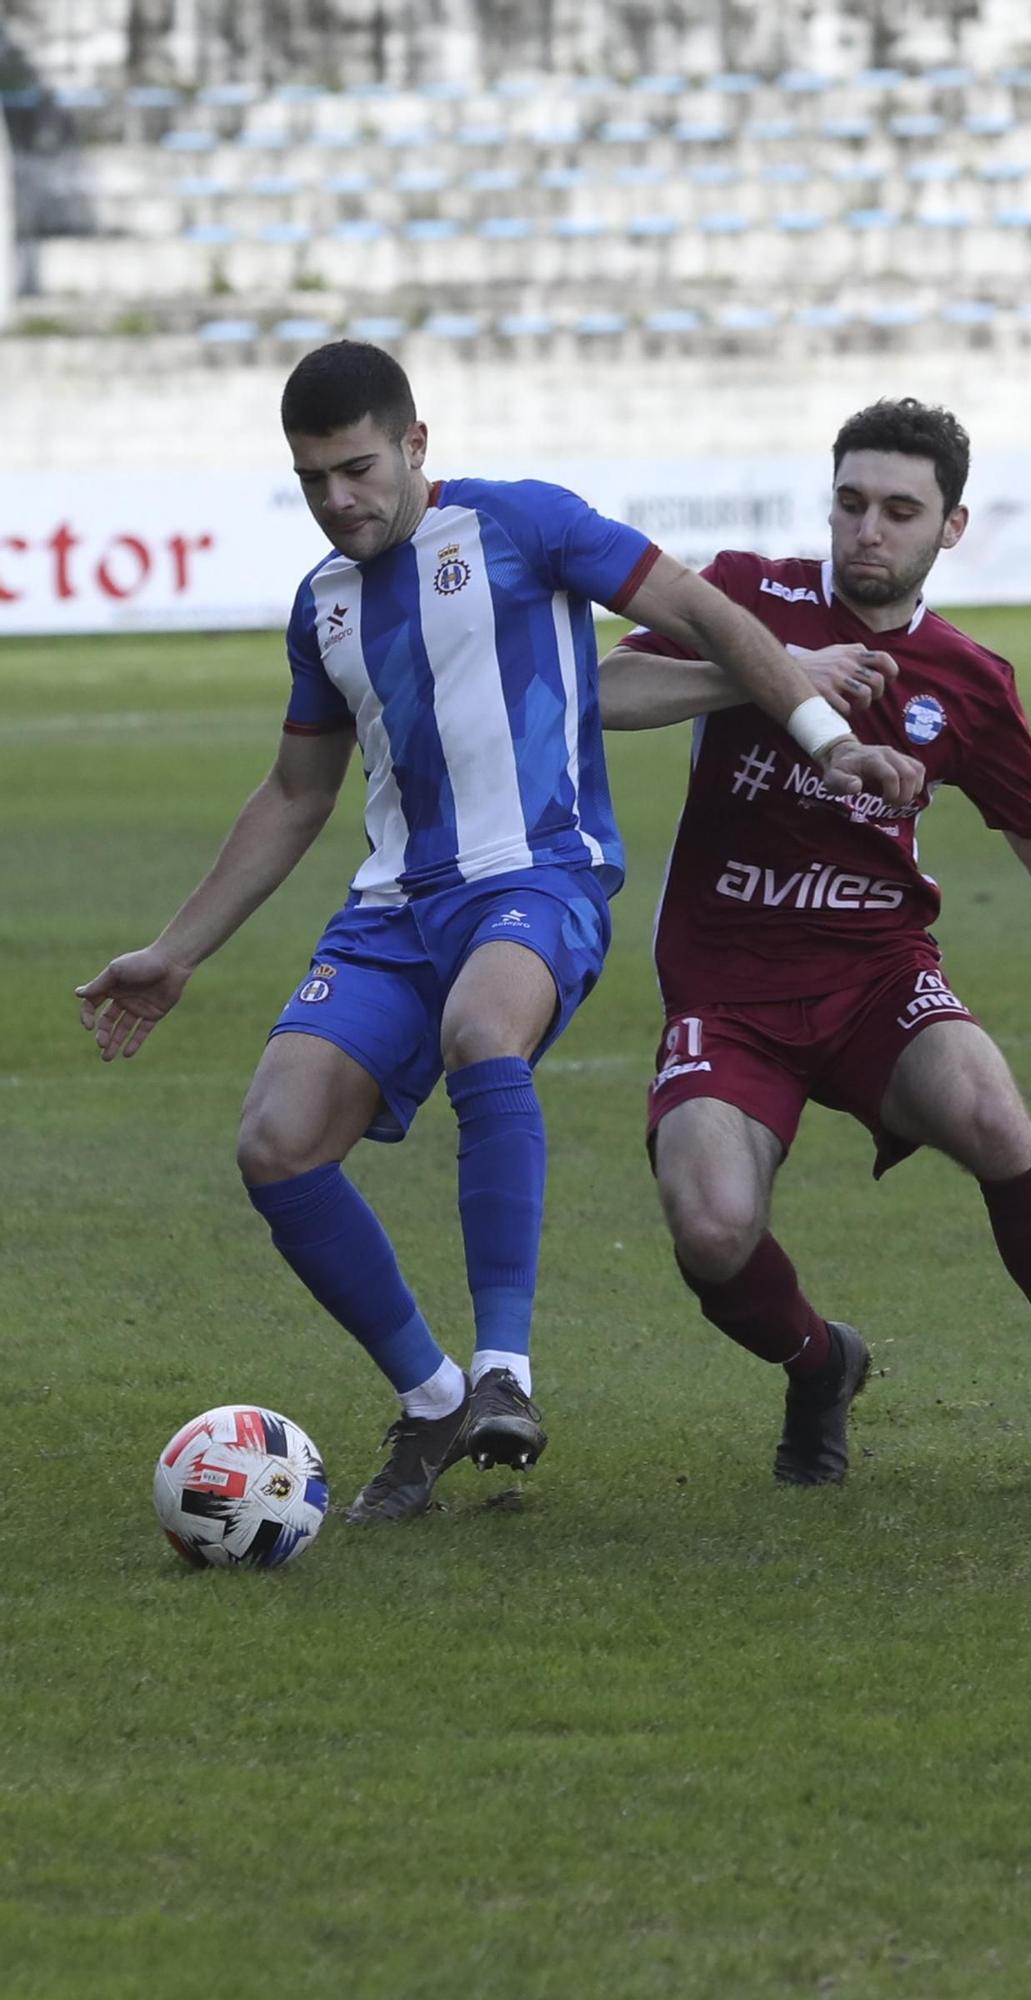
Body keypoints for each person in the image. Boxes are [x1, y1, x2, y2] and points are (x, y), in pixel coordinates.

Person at [75, 342, 920, 1525]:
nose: (339, 498)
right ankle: (430, 1399)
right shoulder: (321, 605)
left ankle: (503, 1372)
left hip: (540, 879)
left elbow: (699, 613)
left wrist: (831, 740)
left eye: (358, 468)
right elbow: (293, 795)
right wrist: (175, 950)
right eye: (313, 478)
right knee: (274, 1140)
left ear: (416, 446)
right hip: (392, 907)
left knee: (485, 1026)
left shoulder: (524, 525)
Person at [600, 395, 1031, 1490]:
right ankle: (820, 1363)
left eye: (899, 510)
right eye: (851, 502)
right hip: (728, 995)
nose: (868, 528)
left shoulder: (968, 678)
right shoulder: (743, 595)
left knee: (995, 1115)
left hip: (877, 979)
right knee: (711, 1230)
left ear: (949, 529)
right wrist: (766, 673)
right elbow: (599, 689)